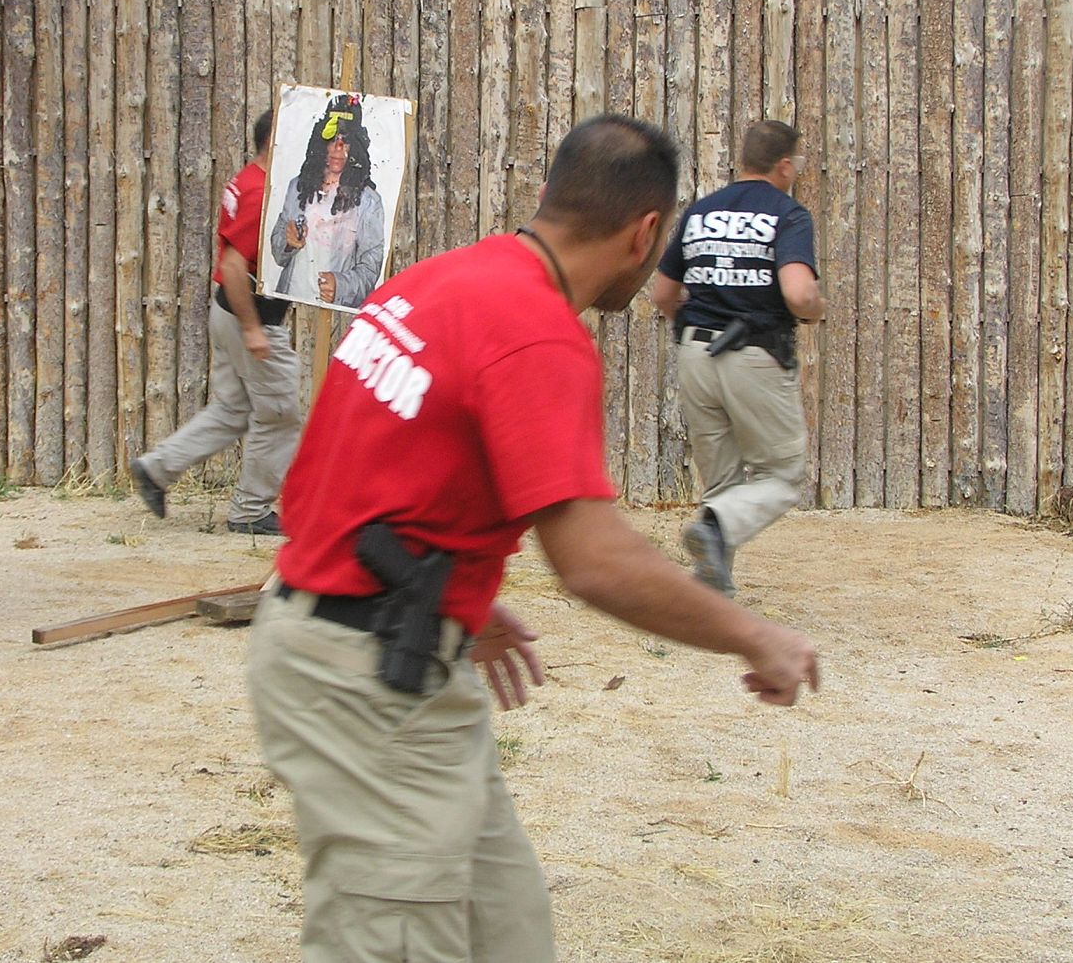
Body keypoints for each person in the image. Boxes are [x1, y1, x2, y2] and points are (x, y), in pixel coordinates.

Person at [247, 114, 820, 963]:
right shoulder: (537, 333)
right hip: (362, 683)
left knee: (502, 929)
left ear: (548, 195)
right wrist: (754, 636)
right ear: (647, 234)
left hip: (382, 652)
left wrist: (447, 595)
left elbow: (325, 484)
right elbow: (592, 562)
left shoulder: (439, 283)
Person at [651, 119, 826, 596]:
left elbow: (663, 291)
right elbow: (797, 293)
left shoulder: (701, 212)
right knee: (781, 476)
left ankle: (713, 591)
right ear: (785, 165)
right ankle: (715, 529)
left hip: (695, 352)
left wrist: (688, 329)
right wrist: (816, 307)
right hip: (753, 354)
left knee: (722, 479)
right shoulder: (787, 214)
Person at [130, 110, 301, 536]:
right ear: (275, 140)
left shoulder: (248, 180)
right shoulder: (261, 191)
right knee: (281, 413)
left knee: (232, 409)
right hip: (249, 315)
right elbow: (234, 261)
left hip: (229, 310)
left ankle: (156, 469)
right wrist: (253, 329)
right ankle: (251, 511)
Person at [268, 91, 386, 309]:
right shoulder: (299, 186)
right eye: (332, 140)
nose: (337, 149)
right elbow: (277, 252)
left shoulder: (369, 202)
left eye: (345, 142)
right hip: (290, 305)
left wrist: (341, 286)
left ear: (356, 146)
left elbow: (371, 268)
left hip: (335, 314)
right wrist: (287, 242)